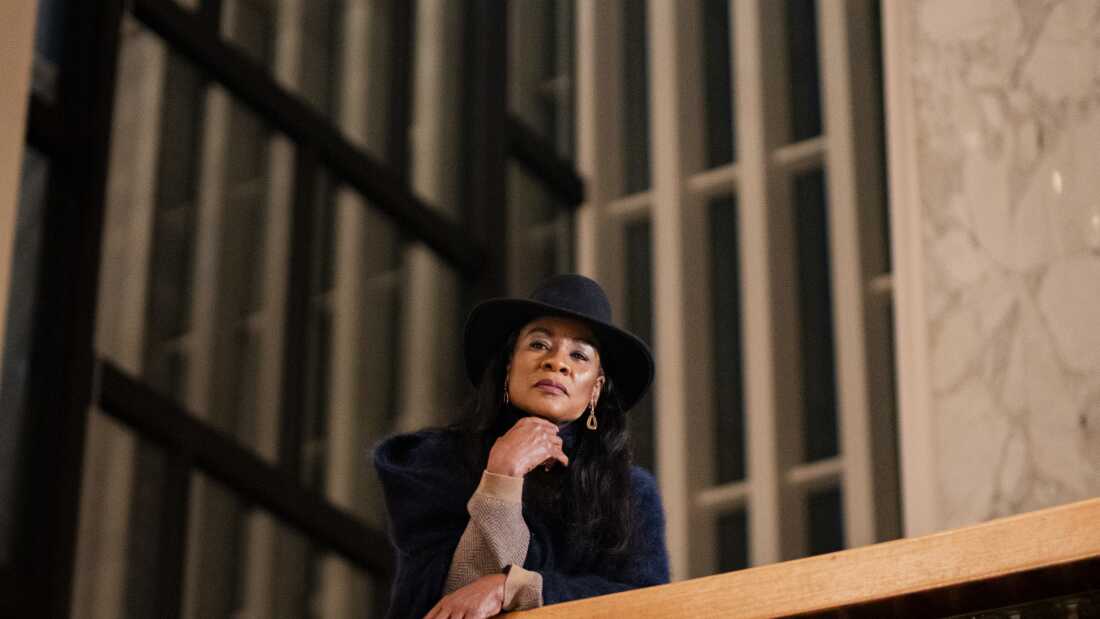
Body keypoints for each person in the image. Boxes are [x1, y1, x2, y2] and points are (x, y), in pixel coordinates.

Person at [374, 274, 670, 618]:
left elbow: (646, 605)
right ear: (508, 365)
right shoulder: (434, 462)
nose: (557, 362)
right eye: (538, 344)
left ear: (596, 389)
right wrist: (501, 478)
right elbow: (451, 602)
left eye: (579, 355)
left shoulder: (630, 492)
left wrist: (515, 588)